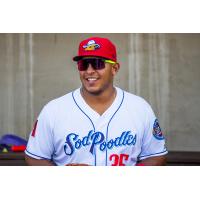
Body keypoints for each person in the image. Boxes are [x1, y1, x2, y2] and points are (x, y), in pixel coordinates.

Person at [25, 36, 168, 166]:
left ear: (114, 68)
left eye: (97, 63)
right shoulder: (54, 110)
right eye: (83, 65)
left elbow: (155, 156)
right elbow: (34, 157)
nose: (89, 71)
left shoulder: (140, 108)